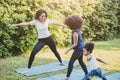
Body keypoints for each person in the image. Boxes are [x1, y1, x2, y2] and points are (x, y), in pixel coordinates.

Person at [10, 9, 65, 73]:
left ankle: (61, 62)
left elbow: (56, 23)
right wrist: (15, 25)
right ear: (38, 16)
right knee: (33, 53)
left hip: (49, 39)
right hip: (42, 40)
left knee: (55, 51)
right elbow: (25, 23)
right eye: (42, 16)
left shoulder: (47, 20)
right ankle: (28, 69)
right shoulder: (35, 22)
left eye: (44, 16)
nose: (43, 17)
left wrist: (63, 25)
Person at [61, 15, 88, 80]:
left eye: (68, 24)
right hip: (81, 49)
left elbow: (75, 44)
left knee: (71, 62)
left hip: (78, 50)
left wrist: (68, 50)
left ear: (72, 24)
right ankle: (87, 74)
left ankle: (67, 77)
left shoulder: (75, 33)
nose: (67, 26)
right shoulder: (78, 30)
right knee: (81, 62)